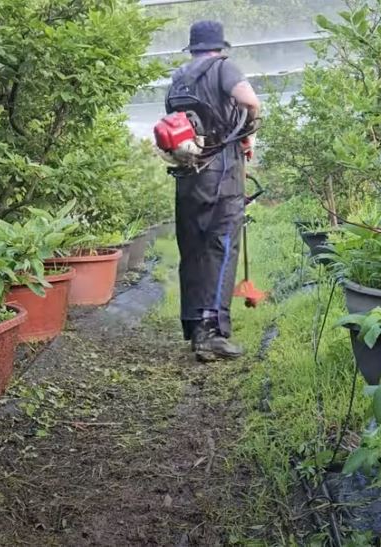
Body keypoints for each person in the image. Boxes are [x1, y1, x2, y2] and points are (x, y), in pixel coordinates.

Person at [166, 21, 261, 362]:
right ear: (219, 47)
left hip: (187, 175)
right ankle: (213, 333)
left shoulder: (179, 77)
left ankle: (194, 327)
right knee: (221, 248)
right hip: (222, 175)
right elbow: (250, 101)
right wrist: (247, 131)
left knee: (192, 251)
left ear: (193, 48)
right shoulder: (224, 68)